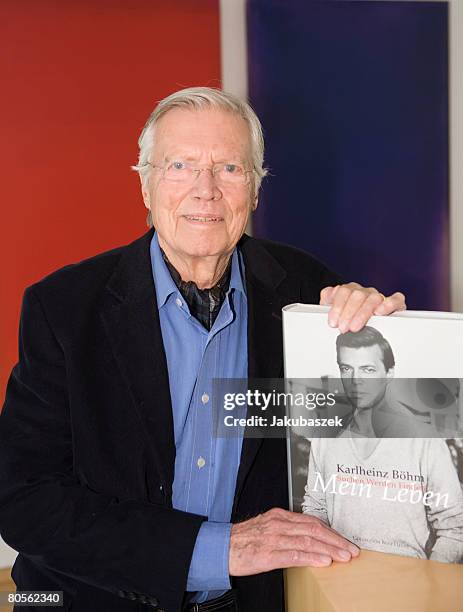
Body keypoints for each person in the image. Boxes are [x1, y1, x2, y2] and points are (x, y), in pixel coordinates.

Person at [0, 87, 406, 612]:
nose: (206, 190)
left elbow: (371, 437)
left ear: (256, 190)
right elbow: (24, 501)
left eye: (230, 169)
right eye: (180, 166)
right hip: (81, 599)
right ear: (146, 185)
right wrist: (217, 549)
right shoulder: (64, 307)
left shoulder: (310, 297)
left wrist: (382, 328)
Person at [302, 326, 463, 563]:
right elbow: (315, 509)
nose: (356, 381)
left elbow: (455, 527)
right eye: (347, 369)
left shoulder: (424, 441)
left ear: (389, 373)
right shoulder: (325, 438)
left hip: (407, 588)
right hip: (338, 582)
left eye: (368, 370)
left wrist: (428, 581)